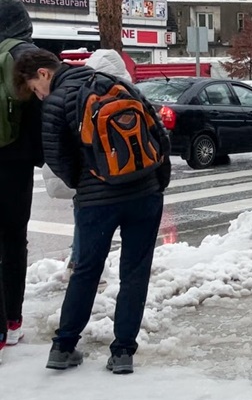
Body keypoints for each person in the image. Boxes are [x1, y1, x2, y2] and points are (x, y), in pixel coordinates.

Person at [16, 48, 171, 374]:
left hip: (96, 203)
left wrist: (86, 185)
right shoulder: (118, 85)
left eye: (34, 87)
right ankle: (123, 353)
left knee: (86, 271)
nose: (38, 94)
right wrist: (157, 180)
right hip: (144, 194)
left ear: (44, 73)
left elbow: (58, 159)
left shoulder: (57, 102)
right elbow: (158, 132)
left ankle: (63, 347)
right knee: (135, 273)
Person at [42, 50, 134, 274]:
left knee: (83, 216)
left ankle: (78, 259)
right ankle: (85, 263)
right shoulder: (117, 92)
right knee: (96, 222)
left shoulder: (73, 89)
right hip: (99, 174)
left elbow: (57, 142)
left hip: (75, 174)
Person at [0, 0, 44, 360]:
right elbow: (44, 108)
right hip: (15, 163)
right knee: (13, 243)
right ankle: (11, 322)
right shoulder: (27, 56)